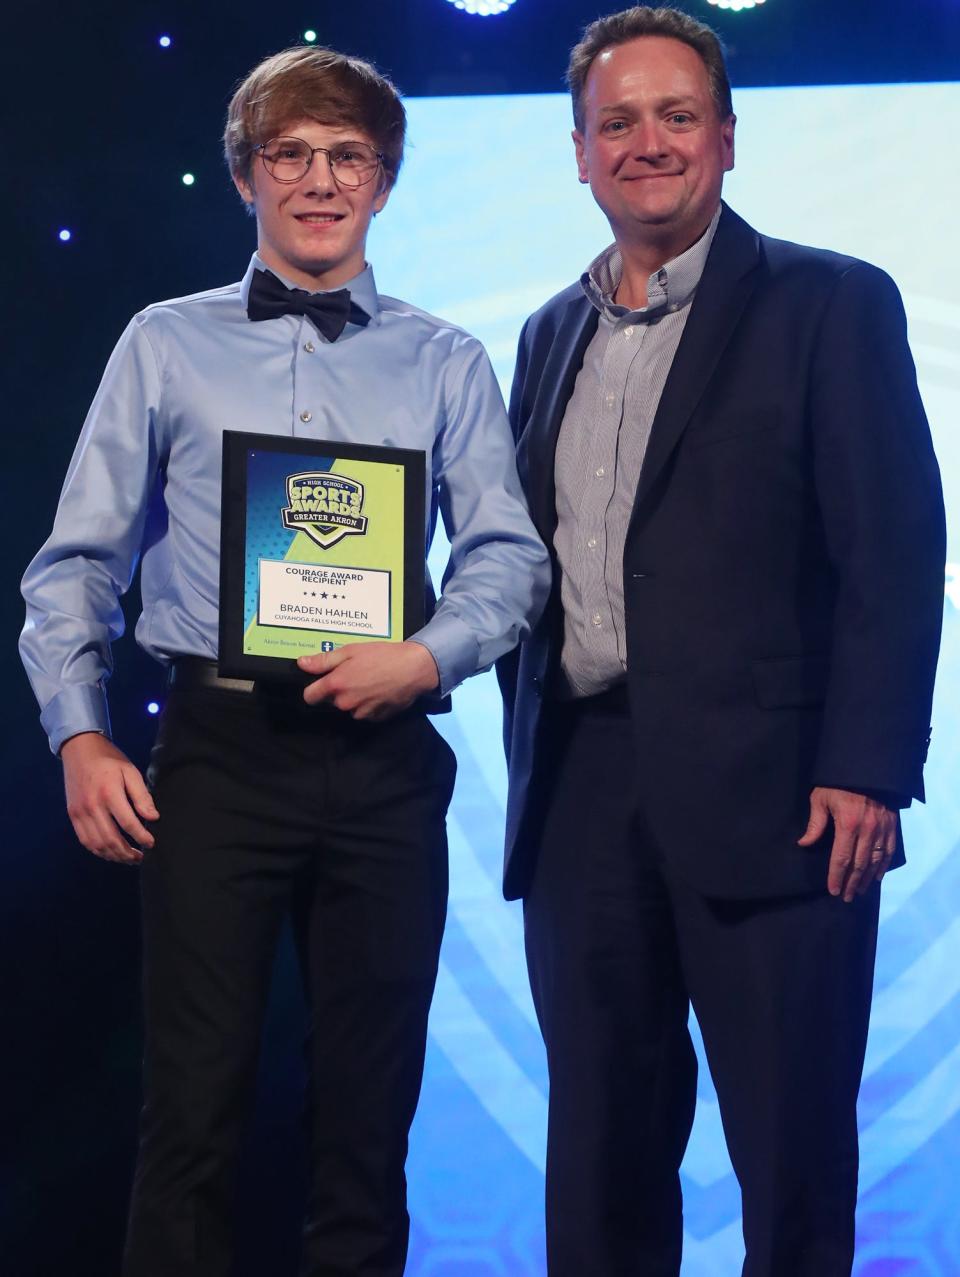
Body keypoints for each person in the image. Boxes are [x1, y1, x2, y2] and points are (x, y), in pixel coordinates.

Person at [20, 44, 549, 1277]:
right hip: (216, 753)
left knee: (368, 1120)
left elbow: (509, 560)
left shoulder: (445, 358)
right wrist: (81, 732)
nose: (320, 180)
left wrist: (425, 658)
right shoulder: (162, 341)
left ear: (385, 179)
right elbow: (75, 561)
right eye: (291, 156)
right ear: (247, 178)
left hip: (383, 756)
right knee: (191, 1113)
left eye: (348, 156)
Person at [497, 7, 945, 1276]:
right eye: (618, 122)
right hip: (582, 786)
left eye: (676, 115)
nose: (649, 142)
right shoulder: (548, 333)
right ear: (578, 152)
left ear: (729, 139)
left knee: (792, 1158)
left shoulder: (831, 301)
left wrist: (868, 763)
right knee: (599, 1157)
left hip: (787, 797)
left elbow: (895, 548)